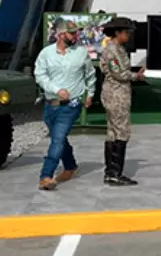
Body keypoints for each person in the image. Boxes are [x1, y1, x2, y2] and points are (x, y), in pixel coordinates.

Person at [33, 20, 96, 191]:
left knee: (58, 139)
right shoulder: (46, 54)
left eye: (76, 32)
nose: (76, 36)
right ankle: (70, 166)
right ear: (61, 35)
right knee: (59, 139)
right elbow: (40, 75)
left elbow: (90, 74)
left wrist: (90, 94)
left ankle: (46, 176)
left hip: (71, 105)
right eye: (72, 33)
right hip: (50, 105)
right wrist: (56, 90)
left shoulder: (81, 53)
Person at [100, 17, 146, 186]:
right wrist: (137, 76)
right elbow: (119, 73)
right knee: (121, 132)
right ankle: (114, 172)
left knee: (113, 133)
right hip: (116, 95)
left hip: (118, 94)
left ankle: (111, 172)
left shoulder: (118, 49)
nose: (129, 36)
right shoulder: (112, 50)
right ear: (118, 33)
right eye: (127, 32)